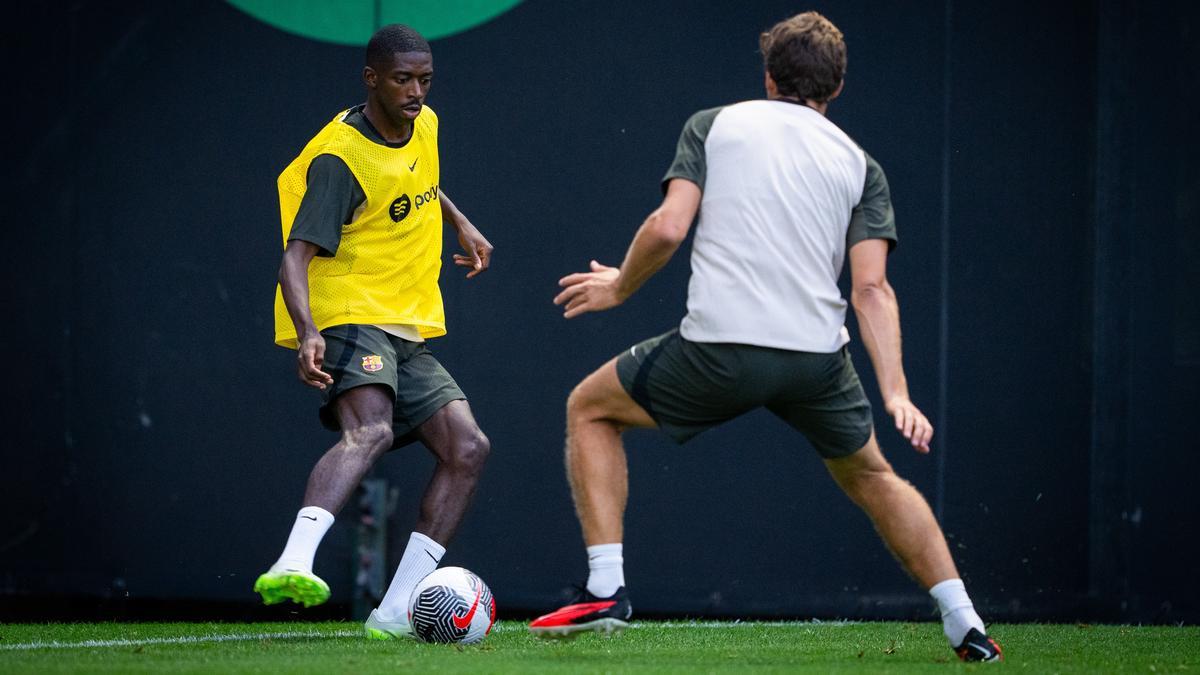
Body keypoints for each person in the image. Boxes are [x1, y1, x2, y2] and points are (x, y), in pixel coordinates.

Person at [529, 11, 1002, 663]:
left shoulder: (716, 124)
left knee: (588, 407)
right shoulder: (861, 165)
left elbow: (668, 228)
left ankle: (607, 589)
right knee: (874, 475)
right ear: (835, 89)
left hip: (719, 351)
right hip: (817, 362)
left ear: (768, 77)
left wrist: (617, 287)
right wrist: (895, 391)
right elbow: (871, 290)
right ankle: (965, 622)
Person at [253, 24, 494, 641]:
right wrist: (307, 331)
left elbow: (419, 181)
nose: (416, 91)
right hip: (346, 310)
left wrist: (461, 222)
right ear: (371, 80)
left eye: (425, 79)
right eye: (402, 79)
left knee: (468, 449)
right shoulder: (339, 158)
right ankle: (293, 562)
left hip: (403, 318)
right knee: (372, 430)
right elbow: (294, 256)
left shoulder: (427, 123)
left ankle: (394, 614)